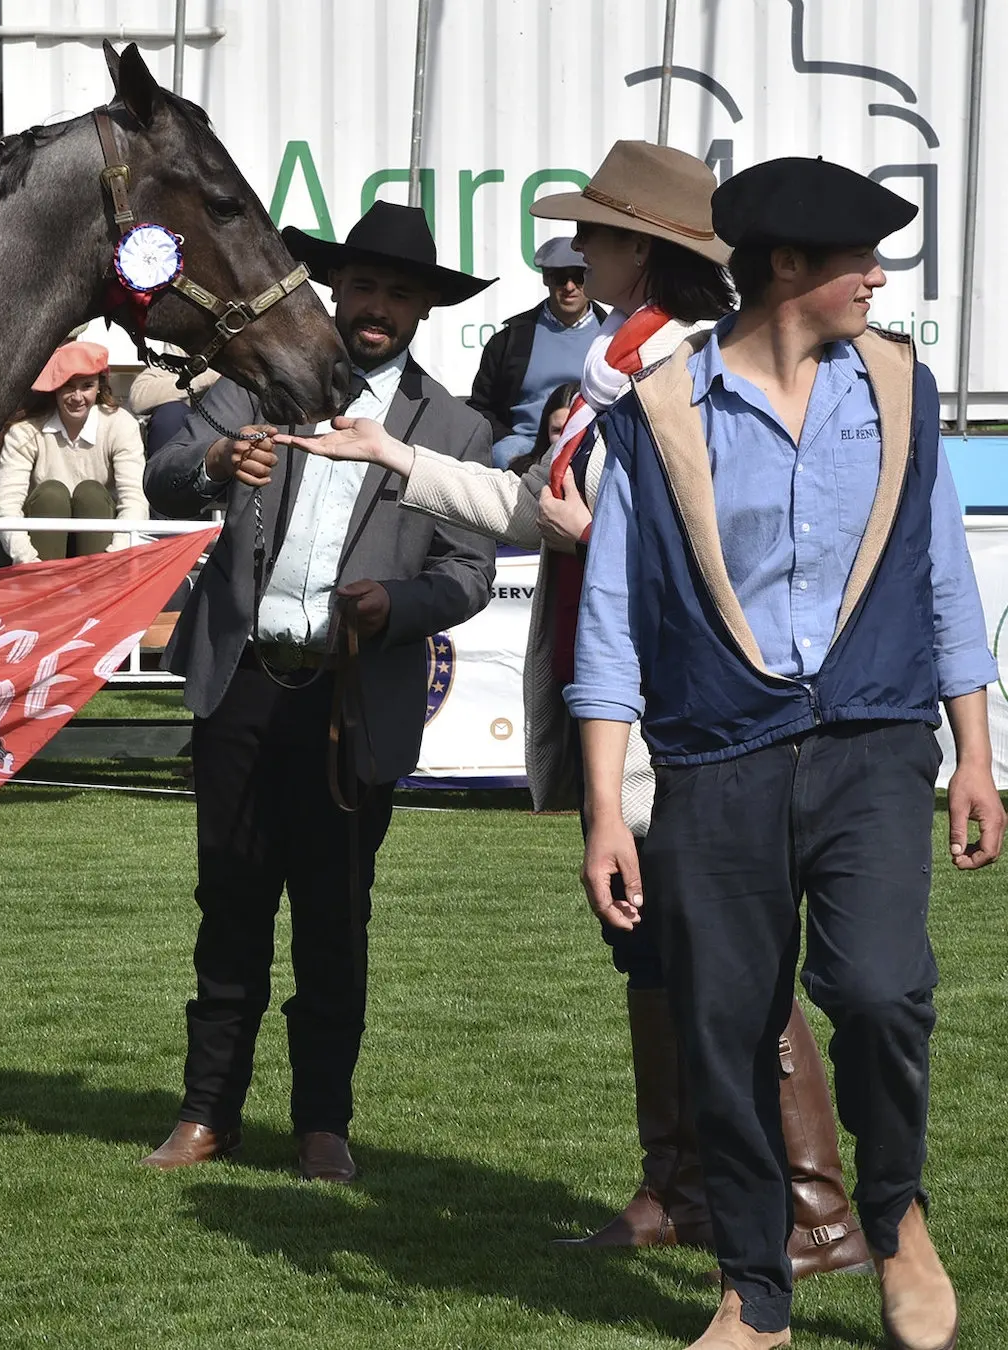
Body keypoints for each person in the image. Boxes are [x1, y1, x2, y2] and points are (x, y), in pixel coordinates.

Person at [273, 141, 867, 1283]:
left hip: (681, 696)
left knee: (712, 938)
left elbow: (620, 522)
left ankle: (812, 1208)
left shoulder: (681, 367)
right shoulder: (627, 363)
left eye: (595, 233)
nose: (578, 251)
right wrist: (393, 451)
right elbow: (553, 511)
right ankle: (689, 1187)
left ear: (641, 248)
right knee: (651, 936)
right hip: (629, 682)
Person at [569, 156, 1002, 1349]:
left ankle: (896, 1211)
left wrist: (975, 754)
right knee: (726, 1019)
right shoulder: (655, 417)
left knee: (877, 991)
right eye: (857, 256)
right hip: (715, 759)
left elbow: (945, 583)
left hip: (875, 743)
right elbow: (612, 625)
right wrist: (607, 811)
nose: (877, 276)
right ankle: (755, 1289)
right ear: (784, 269)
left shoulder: (902, 395)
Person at [138, 201, 497, 1183]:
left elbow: (469, 570)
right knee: (229, 907)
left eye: (399, 292)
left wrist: (400, 602)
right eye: (365, 286)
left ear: (426, 309)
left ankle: (322, 1124)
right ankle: (207, 1113)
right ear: (336, 290)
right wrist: (217, 458)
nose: (377, 306)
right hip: (245, 683)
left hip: (353, 703)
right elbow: (167, 469)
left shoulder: (456, 428)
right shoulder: (263, 379)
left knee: (336, 920)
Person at [0, 341, 148, 564]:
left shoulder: (122, 425)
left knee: (91, 494)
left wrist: (112, 558)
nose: (77, 397)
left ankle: (96, 585)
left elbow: (135, 501)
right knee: (51, 494)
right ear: (55, 387)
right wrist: (29, 562)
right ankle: (44, 585)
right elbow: (6, 507)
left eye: (86, 386)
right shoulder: (24, 432)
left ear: (99, 387)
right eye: (68, 386)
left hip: (103, 552)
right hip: (38, 551)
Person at [469, 236, 607, 468]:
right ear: (546, 279)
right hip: (526, 446)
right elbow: (480, 406)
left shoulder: (613, 335)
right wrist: (506, 438)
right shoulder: (509, 340)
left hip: (593, 444)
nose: (570, 286)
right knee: (505, 453)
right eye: (561, 278)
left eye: (579, 276)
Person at [505, 379, 580, 475]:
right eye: (557, 430)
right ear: (546, 431)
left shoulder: (600, 476)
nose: (564, 439)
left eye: (572, 430)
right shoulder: (522, 472)